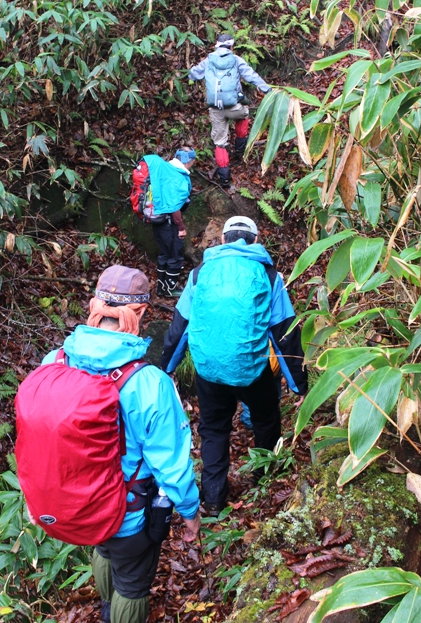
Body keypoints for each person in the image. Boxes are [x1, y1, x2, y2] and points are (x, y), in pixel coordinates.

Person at [41, 265, 201, 623]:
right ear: (140, 313)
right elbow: (171, 464)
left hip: (77, 501)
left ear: (95, 306)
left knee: (104, 549)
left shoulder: (54, 362)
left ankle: (106, 608)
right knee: (132, 584)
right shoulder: (149, 383)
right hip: (128, 511)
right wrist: (190, 512)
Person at [160, 216, 307, 515]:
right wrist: (299, 385)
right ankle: (264, 480)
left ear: (223, 240)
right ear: (255, 241)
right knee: (266, 421)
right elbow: (284, 332)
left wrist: (168, 367)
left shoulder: (199, 275)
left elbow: (180, 326)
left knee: (214, 430)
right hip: (252, 369)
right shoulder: (269, 276)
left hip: (209, 372)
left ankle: (213, 500)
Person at [188, 34, 271, 186]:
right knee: (244, 115)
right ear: (231, 46)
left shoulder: (208, 60)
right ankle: (240, 150)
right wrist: (268, 90)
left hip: (216, 108)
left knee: (219, 143)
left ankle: (224, 178)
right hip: (234, 107)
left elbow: (193, 74)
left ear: (217, 46)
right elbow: (252, 76)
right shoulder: (236, 60)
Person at [150, 147, 196, 297]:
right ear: (188, 160)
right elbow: (174, 205)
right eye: (193, 160)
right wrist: (181, 227)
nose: (193, 163)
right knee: (175, 254)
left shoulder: (165, 170)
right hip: (170, 221)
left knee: (164, 253)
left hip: (157, 219)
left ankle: (161, 287)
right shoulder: (177, 175)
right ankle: (170, 288)